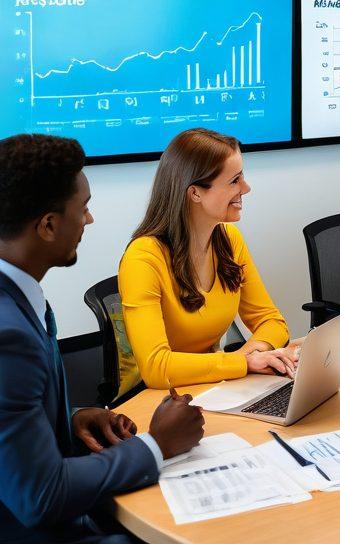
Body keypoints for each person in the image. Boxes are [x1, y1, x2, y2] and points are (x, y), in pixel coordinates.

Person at [0, 133, 204, 544]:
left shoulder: (17, 295)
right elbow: (42, 495)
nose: (89, 220)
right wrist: (156, 444)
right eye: (84, 208)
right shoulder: (8, 336)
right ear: (48, 225)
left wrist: (70, 418)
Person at [119, 128, 295, 388]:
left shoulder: (229, 240)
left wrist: (256, 353)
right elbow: (156, 367)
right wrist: (242, 363)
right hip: (158, 399)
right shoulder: (143, 258)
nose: (246, 189)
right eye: (234, 181)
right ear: (195, 193)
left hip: (215, 385)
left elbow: (272, 321)